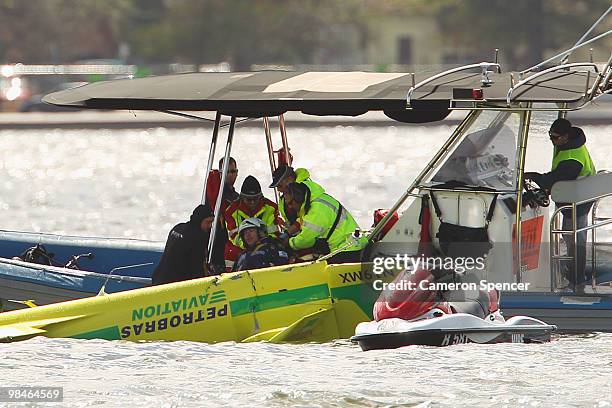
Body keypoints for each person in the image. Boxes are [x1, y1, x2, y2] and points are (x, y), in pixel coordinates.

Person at [524, 118, 596, 292]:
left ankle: (577, 280)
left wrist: (534, 176)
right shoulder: (567, 145)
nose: (552, 141)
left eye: (555, 138)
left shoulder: (572, 158)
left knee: (575, 238)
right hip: (572, 196)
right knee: (568, 233)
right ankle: (573, 271)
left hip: (579, 200)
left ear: (565, 136)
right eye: (550, 137)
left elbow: (556, 177)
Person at [281, 182, 367, 263]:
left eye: (290, 203)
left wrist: (288, 243)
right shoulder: (317, 200)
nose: (290, 206)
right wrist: (287, 233)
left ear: (298, 198)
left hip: (348, 249)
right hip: (351, 244)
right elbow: (303, 222)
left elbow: (305, 240)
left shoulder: (316, 211)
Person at [152, 203, 224, 285]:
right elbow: (196, 268)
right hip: (173, 285)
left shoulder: (178, 227)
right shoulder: (197, 237)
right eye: (208, 222)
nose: (210, 226)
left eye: (212, 222)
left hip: (158, 278)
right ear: (199, 220)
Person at [224, 175, 283, 250]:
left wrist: (262, 245)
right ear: (242, 198)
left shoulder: (271, 207)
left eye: (255, 198)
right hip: (241, 250)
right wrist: (248, 246)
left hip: (266, 247)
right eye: (249, 199)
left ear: (261, 197)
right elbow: (233, 237)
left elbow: (274, 233)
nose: (252, 202)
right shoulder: (231, 211)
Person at [205, 157, 240, 270]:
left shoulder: (237, 197)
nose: (230, 175)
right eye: (226, 172)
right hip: (216, 243)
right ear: (220, 173)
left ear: (237, 173)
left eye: (233, 171)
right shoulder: (215, 194)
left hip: (230, 243)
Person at [269, 165, 324, 235]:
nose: (278, 190)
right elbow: (290, 222)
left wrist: (289, 236)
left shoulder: (307, 189)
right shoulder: (283, 200)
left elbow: (307, 218)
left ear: (289, 179)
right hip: (303, 238)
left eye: (280, 186)